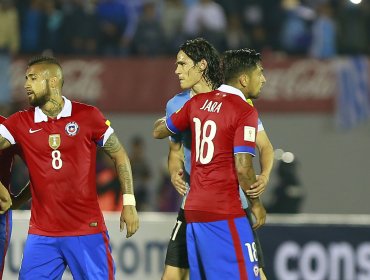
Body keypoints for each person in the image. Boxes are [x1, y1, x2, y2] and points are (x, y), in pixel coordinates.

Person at [0, 56, 139, 279]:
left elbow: (120, 155)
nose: (26, 84)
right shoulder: (19, 122)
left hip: (86, 230)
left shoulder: (88, 115)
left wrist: (129, 202)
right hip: (42, 236)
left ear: (53, 81)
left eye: (33, 78)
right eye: (26, 78)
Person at [154, 43, 271, 279]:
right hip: (220, 207)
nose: (176, 70)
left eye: (182, 63)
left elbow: (265, 146)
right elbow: (175, 152)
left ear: (202, 65)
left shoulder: (196, 104)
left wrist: (265, 173)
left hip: (209, 205)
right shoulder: (233, 106)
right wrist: (174, 171)